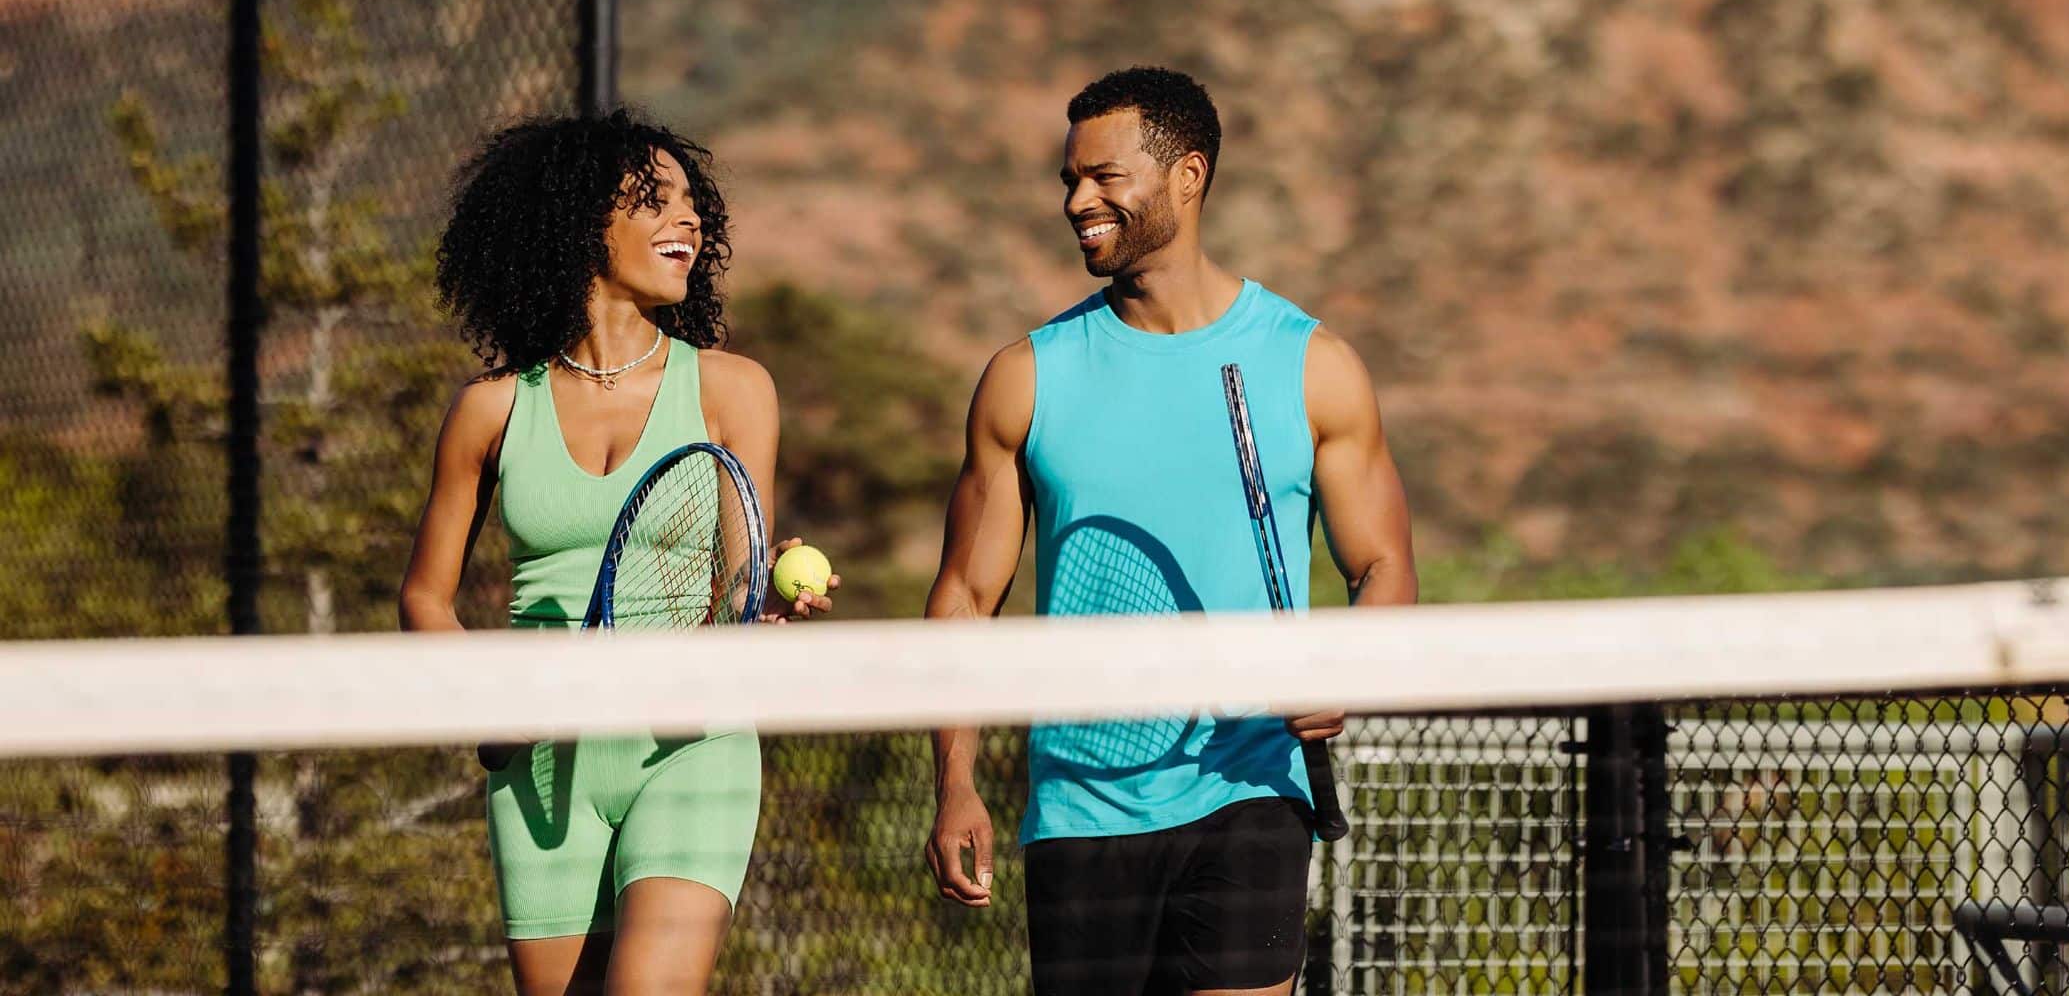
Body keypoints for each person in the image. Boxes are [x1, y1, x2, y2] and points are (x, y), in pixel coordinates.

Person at [924, 67, 1420, 995]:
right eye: (1070, 180)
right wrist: (955, 782)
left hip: (1251, 789)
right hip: (1080, 805)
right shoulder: (1025, 377)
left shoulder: (1312, 365)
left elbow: (1385, 564)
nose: (1077, 201)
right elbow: (964, 597)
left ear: (1188, 176)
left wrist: (1346, 669)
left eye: (1104, 177)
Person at [398, 110, 835, 996]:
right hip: (540, 769)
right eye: (654, 200)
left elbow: (737, 589)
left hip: (688, 745)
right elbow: (424, 599)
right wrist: (489, 700)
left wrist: (759, 606)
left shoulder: (733, 389)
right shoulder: (490, 409)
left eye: (692, 204)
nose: (689, 220)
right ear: (578, 223)